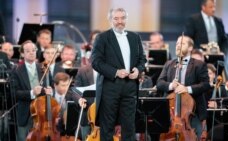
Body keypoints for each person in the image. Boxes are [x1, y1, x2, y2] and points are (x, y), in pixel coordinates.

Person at [91, 7, 146, 141]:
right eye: (116, 18)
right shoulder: (102, 38)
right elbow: (96, 62)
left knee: (129, 127)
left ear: (126, 19)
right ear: (110, 20)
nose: (120, 21)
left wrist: (138, 70)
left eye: (122, 18)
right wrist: (115, 72)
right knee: (107, 127)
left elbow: (142, 59)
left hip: (130, 87)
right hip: (110, 87)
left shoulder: (135, 37)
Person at [156, 35, 210, 140]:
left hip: (193, 114)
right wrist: (171, 85)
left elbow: (206, 84)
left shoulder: (199, 65)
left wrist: (187, 89)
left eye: (182, 44)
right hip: (171, 114)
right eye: (177, 44)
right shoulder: (169, 64)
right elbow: (159, 83)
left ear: (190, 48)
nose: (178, 46)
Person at [12, 40, 53, 141]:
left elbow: (51, 86)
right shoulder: (16, 70)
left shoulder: (44, 67)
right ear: (22, 53)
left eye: (33, 50)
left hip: (42, 112)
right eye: (28, 51)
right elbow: (14, 93)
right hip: (25, 113)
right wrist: (32, 93)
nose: (31, 53)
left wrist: (50, 91)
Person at [52, 72, 87, 139]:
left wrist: (79, 100)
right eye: (63, 85)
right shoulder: (49, 96)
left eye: (67, 85)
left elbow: (76, 98)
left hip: (68, 131)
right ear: (55, 85)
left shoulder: (71, 94)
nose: (66, 88)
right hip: (53, 130)